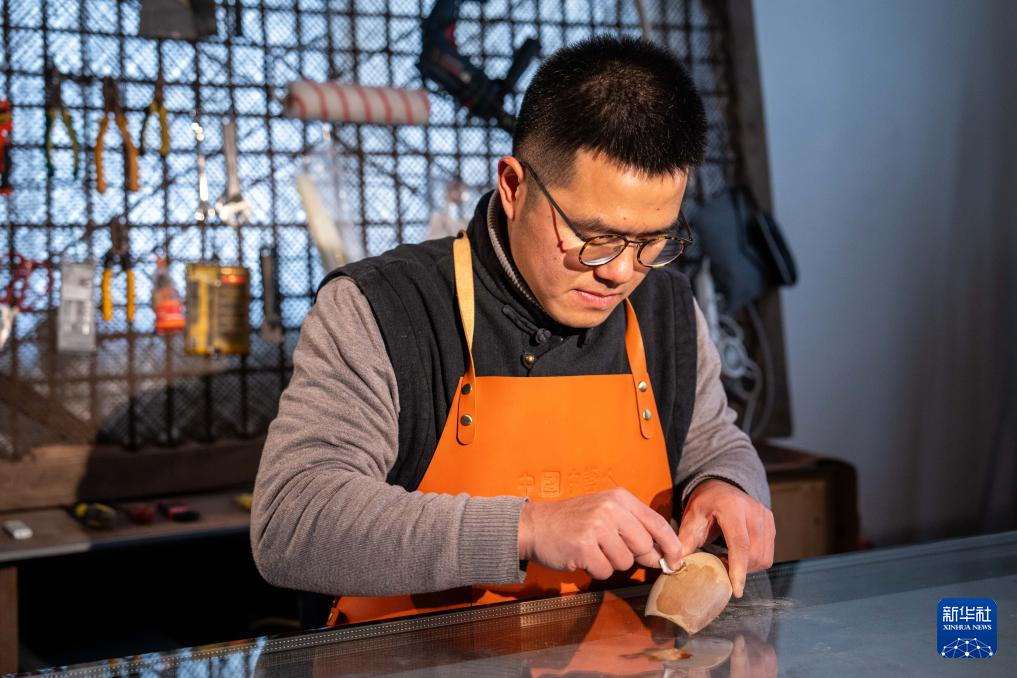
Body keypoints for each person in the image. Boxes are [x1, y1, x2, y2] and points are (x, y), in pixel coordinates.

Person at [251, 35, 775, 626]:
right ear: (513, 185)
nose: (621, 272)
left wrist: (727, 485)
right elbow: (292, 522)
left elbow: (714, 441)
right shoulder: (383, 308)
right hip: (410, 662)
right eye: (596, 236)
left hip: (627, 657)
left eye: (652, 240)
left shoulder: (666, 309)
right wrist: (527, 527)